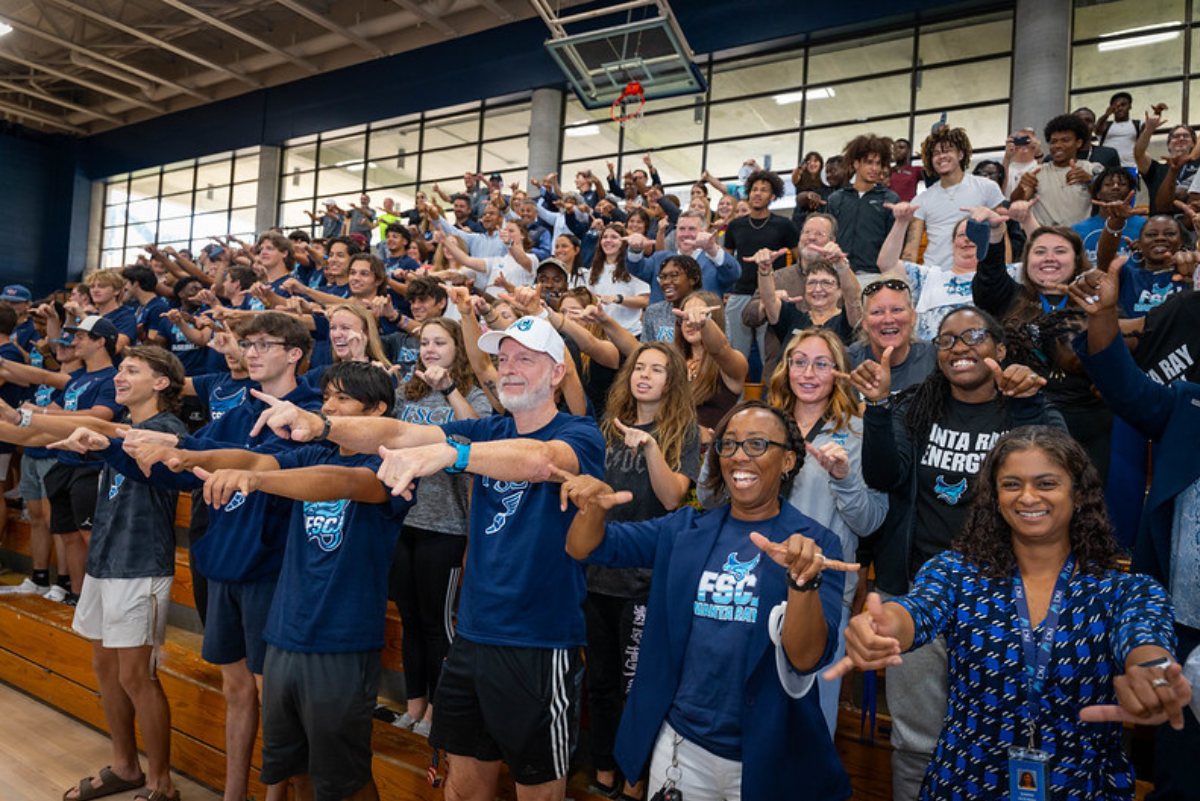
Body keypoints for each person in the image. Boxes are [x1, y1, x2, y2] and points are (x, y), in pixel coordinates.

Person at [249, 315, 606, 801]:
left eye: (525, 358)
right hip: (473, 636)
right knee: (459, 783)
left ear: (559, 371)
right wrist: (323, 424)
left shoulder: (581, 433)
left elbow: (540, 459)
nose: (510, 368)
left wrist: (454, 455)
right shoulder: (488, 426)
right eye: (502, 359)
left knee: (539, 789)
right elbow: (397, 432)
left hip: (538, 641)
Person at [828, 424, 1191, 800]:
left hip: (1080, 787)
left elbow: (1145, 642)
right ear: (995, 497)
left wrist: (1153, 674)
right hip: (966, 782)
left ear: (1079, 494)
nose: (1028, 497)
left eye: (1046, 483)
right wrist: (885, 625)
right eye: (1012, 484)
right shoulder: (956, 573)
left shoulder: (1125, 592)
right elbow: (917, 610)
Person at [556, 400, 854, 801]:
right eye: (728, 445)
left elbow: (806, 658)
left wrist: (802, 582)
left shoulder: (814, 543)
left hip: (765, 754)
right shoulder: (685, 528)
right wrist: (591, 509)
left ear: (788, 461)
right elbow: (583, 548)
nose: (738, 457)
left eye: (756, 445)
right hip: (682, 747)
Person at [169, 362, 414, 800]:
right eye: (326, 398)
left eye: (343, 399)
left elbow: (338, 483)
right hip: (283, 633)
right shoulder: (314, 453)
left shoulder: (391, 466)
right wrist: (189, 455)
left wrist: (261, 480)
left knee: (343, 777)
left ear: (377, 410)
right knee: (292, 766)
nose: (328, 407)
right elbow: (252, 457)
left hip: (341, 639)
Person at [848, 306, 1064, 801]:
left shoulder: (1028, 406)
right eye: (946, 341)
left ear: (1001, 348)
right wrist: (877, 407)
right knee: (915, 741)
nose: (960, 347)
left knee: (1003, 738)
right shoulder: (911, 405)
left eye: (973, 336)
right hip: (917, 596)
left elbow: (1058, 476)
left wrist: (1028, 404)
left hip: (1005, 602)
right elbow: (884, 476)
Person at [4, 345, 189, 801]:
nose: (120, 377)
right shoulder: (126, 428)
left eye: (132, 370)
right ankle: (126, 766)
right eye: (121, 369)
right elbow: (58, 438)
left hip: (140, 564)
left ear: (161, 383)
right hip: (106, 563)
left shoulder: (166, 429)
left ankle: (160, 782)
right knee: (105, 669)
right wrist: (18, 426)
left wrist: (26, 418)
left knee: (135, 677)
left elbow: (105, 430)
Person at [585, 342, 700, 799]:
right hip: (599, 573)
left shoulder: (683, 431)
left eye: (656, 369)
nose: (644, 375)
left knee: (638, 686)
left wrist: (650, 446)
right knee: (601, 681)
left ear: (672, 380)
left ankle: (634, 780)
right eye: (638, 367)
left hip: (647, 580)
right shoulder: (608, 428)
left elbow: (673, 497)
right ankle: (604, 771)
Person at [764, 328, 887, 735]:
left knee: (811, 711)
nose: (808, 373)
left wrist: (844, 478)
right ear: (787, 368)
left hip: (822, 587)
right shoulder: (766, 424)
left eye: (821, 364)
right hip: (762, 578)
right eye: (800, 361)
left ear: (839, 373)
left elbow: (870, 521)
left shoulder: (858, 432)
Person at [388, 317, 491, 736]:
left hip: (446, 526)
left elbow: (478, 434)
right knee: (410, 620)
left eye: (440, 342)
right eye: (425, 342)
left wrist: (449, 389)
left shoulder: (473, 396)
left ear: (458, 350)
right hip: (401, 520)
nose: (430, 349)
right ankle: (414, 707)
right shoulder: (404, 392)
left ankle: (438, 713)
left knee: (437, 624)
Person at [880, 203, 1012, 339]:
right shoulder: (929, 277)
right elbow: (887, 265)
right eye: (961, 235)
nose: (967, 239)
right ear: (953, 244)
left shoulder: (1007, 276)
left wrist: (1026, 221)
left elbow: (1035, 269)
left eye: (975, 235)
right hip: (932, 355)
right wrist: (901, 223)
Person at [722, 170, 800, 364]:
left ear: (773, 196)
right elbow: (726, 263)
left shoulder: (784, 225)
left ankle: (770, 395)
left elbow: (800, 262)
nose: (757, 193)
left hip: (770, 296)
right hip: (739, 294)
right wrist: (727, 289)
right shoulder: (735, 226)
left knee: (771, 356)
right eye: (754, 189)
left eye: (764, 190)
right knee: (733, 357)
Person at [904, 127, 1006, 268]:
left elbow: (1002, 233)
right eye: (936, 153)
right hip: (935, 276)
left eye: (947, 150)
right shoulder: (921, 200)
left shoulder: (987, 187)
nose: (941, 156)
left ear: (960, 154)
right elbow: (910, 250)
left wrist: (1003, 272)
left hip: (977, 276)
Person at [972, 225, 1086, 325]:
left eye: (1060, 251)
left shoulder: (1091, 303)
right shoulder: (1007, 296)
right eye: (1040, 252)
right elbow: (991, 272)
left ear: (1076, 261)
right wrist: (995, 233)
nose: (1049, 258)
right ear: (1026, 262)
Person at [673, 290, 747, 435]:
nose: (690, 321)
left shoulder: (731, 361)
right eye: (685, 316)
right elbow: (635, 350)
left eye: (697, 315)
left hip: (708, 452)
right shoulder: (672, 360)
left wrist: (705, 323)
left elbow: (720, 349)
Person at [1011, 115, 1104, 227]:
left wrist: (1090, 182)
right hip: (1044, 237)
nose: (1058, 146)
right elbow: (1017, 203)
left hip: (1078, 238)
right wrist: (1021, 188)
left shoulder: (1092, 169)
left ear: (1078, 143)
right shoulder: (1036, 171)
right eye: (1054, 141)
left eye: (1065, 140)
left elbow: (1106, 201)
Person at [826, 134, 898, 276]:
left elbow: (895, 243)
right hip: (838, 272)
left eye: (878, 163)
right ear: (856, 163)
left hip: (874, 274)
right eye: (869, 162)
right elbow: (828, 237)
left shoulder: (889, 199)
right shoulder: (836, 199)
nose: (874, 168)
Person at [849, 278, 937, 394]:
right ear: (864, 323)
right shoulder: (848, 361)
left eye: (896, 310)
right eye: (877, 312)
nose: (888, 319)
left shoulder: (935, 356)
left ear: (913, 317)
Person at [1096, 91, 1140, 169]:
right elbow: (1097, 130)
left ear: (1130, 107)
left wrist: (1157, 113)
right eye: (1116, 106)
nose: (1120, 108)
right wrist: (1106, 115)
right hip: (1106, 168)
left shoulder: (1137, 124)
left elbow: (1150, 127)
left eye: (1123, 105)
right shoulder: (1106, 125)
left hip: (1131, 166)